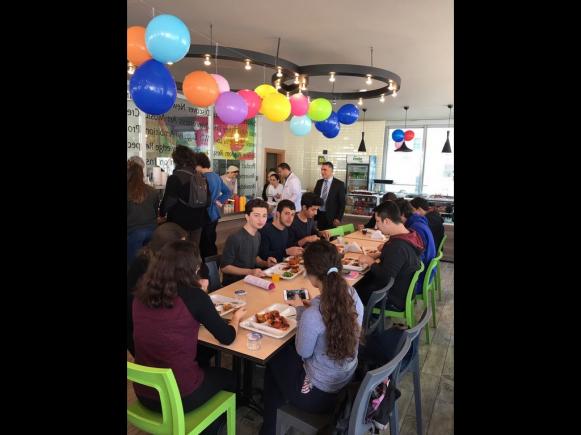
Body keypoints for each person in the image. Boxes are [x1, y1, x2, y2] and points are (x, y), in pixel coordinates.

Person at [132, 240, 247, 433]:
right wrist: (235, 318)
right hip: (180, 396)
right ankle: (211, 427)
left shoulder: (140, 294)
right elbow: (227, 337)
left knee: (202, 357)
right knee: (230, 378)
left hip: (143, 391)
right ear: (193, 268)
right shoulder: (195, 297)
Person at [259, 240, 364, 435]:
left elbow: (303, 352)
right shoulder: (353, 295)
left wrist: (302, 313)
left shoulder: (313, 314)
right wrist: (304, 310)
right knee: (282, 359)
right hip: (347, 380)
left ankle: (270, 429)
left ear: (311, 275)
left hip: (321, 396)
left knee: (273, 360)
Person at [127, 222, 190, 357]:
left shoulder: (159, 261)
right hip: (142, 330)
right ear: (167, 249)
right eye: (181, 248)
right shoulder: (145, 266)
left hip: (153, 322)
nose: (185, 253)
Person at [354, 201, 424, 308]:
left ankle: (365, 316)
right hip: (401, 289)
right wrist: (379, 255)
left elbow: (386, 279)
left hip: (392, 298)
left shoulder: (398, 247)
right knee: (363, 280)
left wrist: (370, 262)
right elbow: (397, 261)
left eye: (378, 221)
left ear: (386, 221)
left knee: (351, 291)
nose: (377, 226)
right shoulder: (409, 234)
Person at [159, 145, 208, 247]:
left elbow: (169, 201)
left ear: (177, 160)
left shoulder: (175, 177)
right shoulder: (200, 177)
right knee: (193, 250)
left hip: (179, 224)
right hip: (198, 222)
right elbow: (208, 201)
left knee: (179, 252)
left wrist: (161, 212)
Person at [220, 198, 277, 286]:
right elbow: (224, 267)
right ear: (247, 216)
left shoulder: (257, 234)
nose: (261, 220)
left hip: (250, 281)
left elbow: (254, 257)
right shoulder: (235, 238)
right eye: (256, 215)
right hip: (234, 284)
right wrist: (250, 272)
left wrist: (266, 263)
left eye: (264, 216)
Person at [194, 152, 232, 259]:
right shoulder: (216, 176)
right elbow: (228, 192)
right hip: (214, 214)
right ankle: (214, 264)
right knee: (210, 242)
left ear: (198, 164)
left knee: (204, 244)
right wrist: (219, 201)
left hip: (205, 214)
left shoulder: (201, 178)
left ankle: (209, 266)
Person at [395, 198, 436, 294]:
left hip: (418, 279)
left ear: (402, 214)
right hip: (424, 271)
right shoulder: (418, 222)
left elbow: (416, 260)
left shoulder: (416, 228)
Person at [127, 161, 159, 265]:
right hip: (152, 230)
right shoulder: (152, 191)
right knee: (149, 264)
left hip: (133, 232)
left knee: (133, 265)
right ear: (142, 174)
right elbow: (156, 212)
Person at [313, 161, 346, 230]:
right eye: (321, 170)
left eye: (325, 170)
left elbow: (342, 204)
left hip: (332, 217)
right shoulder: (319, 182)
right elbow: (314, 199)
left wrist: (338, 218)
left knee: (330, 236)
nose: (322, 172)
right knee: (319, 235)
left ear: (331, 171)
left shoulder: (339, 184)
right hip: (319, 216)